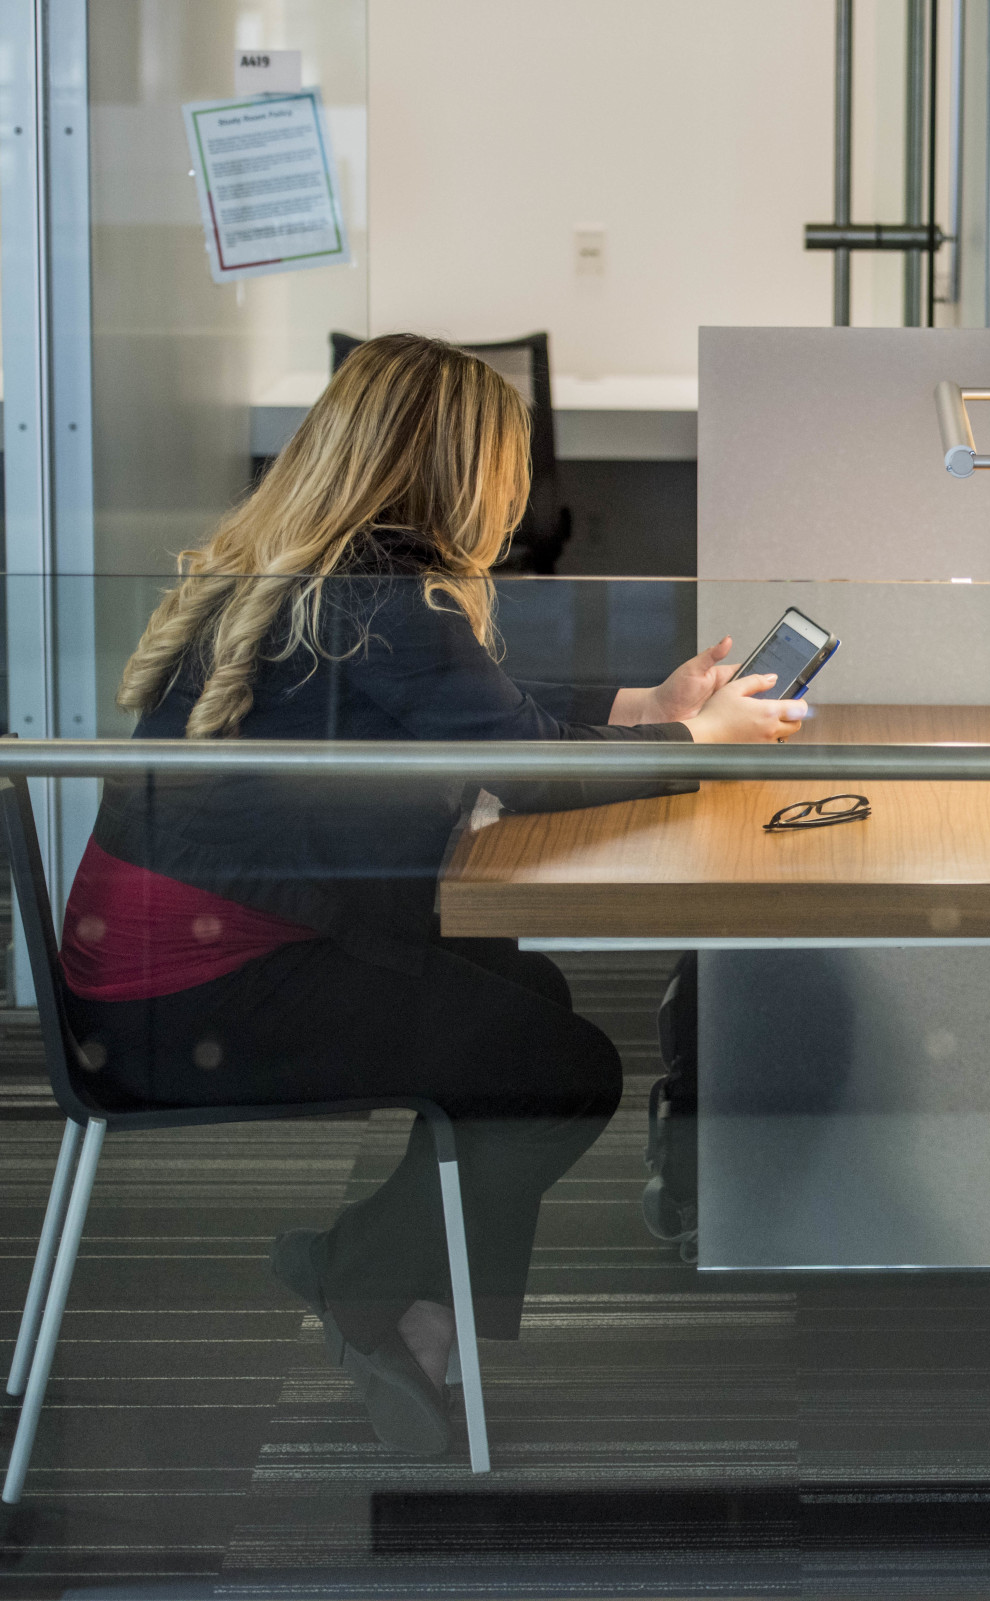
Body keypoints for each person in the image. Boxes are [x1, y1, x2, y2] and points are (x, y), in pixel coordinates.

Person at [59, 334, 804, 1456]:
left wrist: (645, 703)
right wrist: (703, 737)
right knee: (560, 1070)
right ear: (460, 468)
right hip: (195, 1000)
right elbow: (526, 757)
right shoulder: (385, 596)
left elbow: (487, 706)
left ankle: (425, 1318)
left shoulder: (318, 572)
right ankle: (365, 1278)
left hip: (147, 974)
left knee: (523, 987)